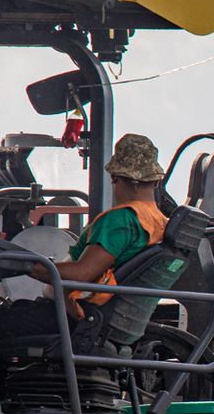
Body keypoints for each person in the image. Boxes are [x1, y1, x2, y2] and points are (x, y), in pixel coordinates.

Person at [28, 132, 168, 317]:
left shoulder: (120, 220)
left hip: (74, 315)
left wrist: (27, 267)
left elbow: (82, 273)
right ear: (156, 181)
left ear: (115, 178)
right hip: (106, 316)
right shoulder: (159, 222)